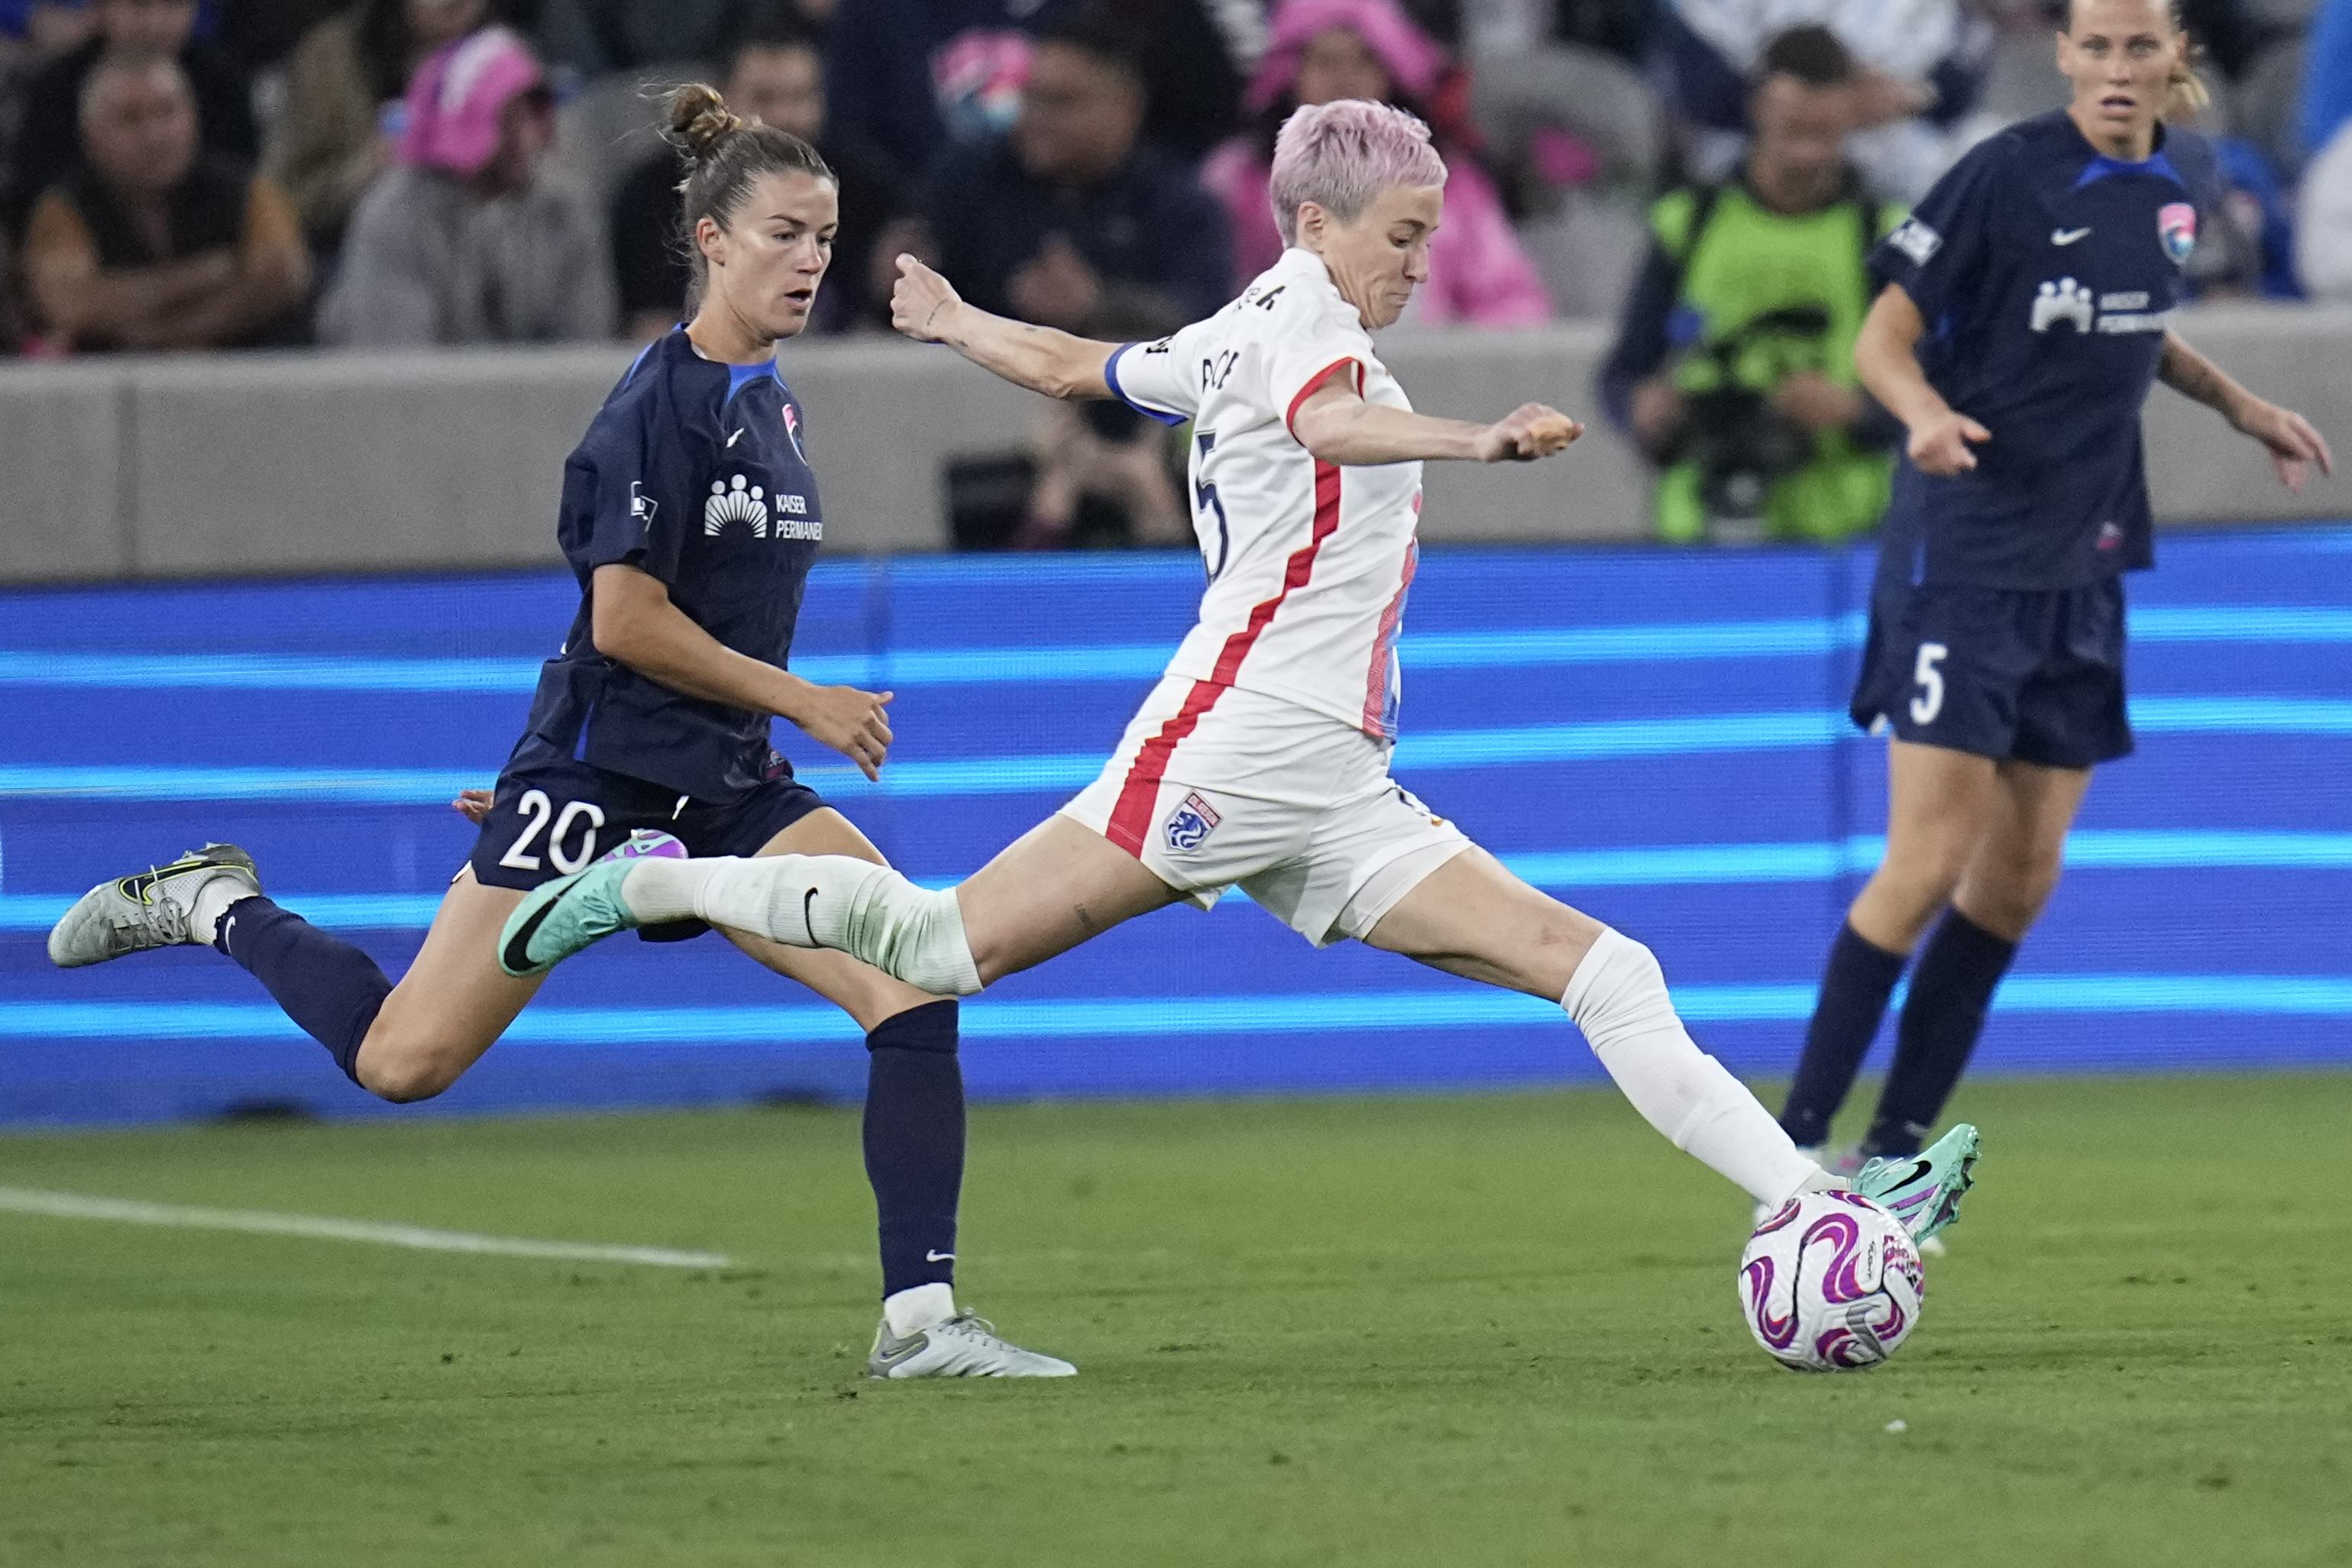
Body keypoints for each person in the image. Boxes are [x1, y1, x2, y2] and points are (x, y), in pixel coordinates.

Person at [505, 99, 1985, 1282]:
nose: (1415, 264)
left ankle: (1819, 1207)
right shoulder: (1303, 333)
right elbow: (1330, 423)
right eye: (1401, 236)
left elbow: (1087, 365)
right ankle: (656, 888)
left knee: (1604, 968)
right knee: (942, 945)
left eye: (1428, 236)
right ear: (1315, 224)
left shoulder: (1236, 325)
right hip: (1239, 735)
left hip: (1329, 775)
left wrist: (959, 323)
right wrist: (1478, 443)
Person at [47, 82, 1070, 1382]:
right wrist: (791, 699)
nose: (812, 258)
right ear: (710, 238)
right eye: (784, 234)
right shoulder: (654, 406)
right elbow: (628, 621)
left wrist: (752, 725)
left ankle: (922, 1324)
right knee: (402, 1059)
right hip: (601, 787)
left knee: (913, 975)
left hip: (726, 784)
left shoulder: (771, 401)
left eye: (824, 234)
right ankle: (213, 903)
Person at [1772, 0, 2331, 1202]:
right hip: (1965, 555)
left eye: (2141, 46)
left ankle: (1885, 1165)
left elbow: (2134, 325)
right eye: (2096, 47)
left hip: (2083, 563)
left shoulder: (2183, 177)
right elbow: (1881, 337)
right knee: (1923, 865)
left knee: (2019, 880)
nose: (2117, 68)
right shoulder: (2002, 176)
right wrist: (1920, 413)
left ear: (2173, 54)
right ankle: (1789, 1152)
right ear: (2064, 56)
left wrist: (2239, 405)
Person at [1599, 26, 1904, 545]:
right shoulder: (1688, 222)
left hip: (1840, 534)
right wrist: (1642, 407)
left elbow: (1938, 397)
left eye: (1826, 134)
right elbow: (1623, 371)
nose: (1809, 154)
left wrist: (1855, 413)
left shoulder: (1886, 236)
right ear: (1759, 110)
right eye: (1794, 131)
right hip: (1697, 527)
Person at [1202, 0, 1551, 327]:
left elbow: (1516, 307)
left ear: (1391, 72)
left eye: (1364, 60)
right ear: (1292, 74)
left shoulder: (1451, 186)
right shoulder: (1235, 180)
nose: (1345, 78)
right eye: (1326, 62)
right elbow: (1209, 308)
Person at [915, 9, 1233, 334]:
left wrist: (1102, 307)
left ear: (1128, 108)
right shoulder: (969, 181)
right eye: (1031, 98)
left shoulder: (1177, 205)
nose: (1037, 119)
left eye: (1061, 102)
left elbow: (1206, 321)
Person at [318, 25, 614, 344]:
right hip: (423, 391)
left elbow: (584, 350)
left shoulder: (565, 210)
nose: (528, 139)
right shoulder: (395, 215)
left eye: (533, 116)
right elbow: (396, 370)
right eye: (508, 120)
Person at [608, 24, 901, 339]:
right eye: (764, 99)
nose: (785, 118)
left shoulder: (866, 189)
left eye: (801, 98)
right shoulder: (653, 196)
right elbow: (649, 334)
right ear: (718, 101)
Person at [21, 52, 310, 351]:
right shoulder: (64, 205)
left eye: (168, 111)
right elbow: (72, 305)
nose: (155, 136)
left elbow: (282, 278)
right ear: (90, 133)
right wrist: (206, 274)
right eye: (130, 119)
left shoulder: (249, 190)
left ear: (194, 117)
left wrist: (166, 334)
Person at [264, 0, 509, 256]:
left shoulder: (506, 59)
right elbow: (280, 205)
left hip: (473, 254)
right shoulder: (333, 58)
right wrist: (371, 167)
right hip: (348, 254)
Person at [3, 0, 258, 240]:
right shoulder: (56, 88)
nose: (155, 24)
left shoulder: (224, 82)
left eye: (173, 5)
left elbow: (243, 182)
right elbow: (33, 197)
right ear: (102, 8)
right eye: (138, 5)